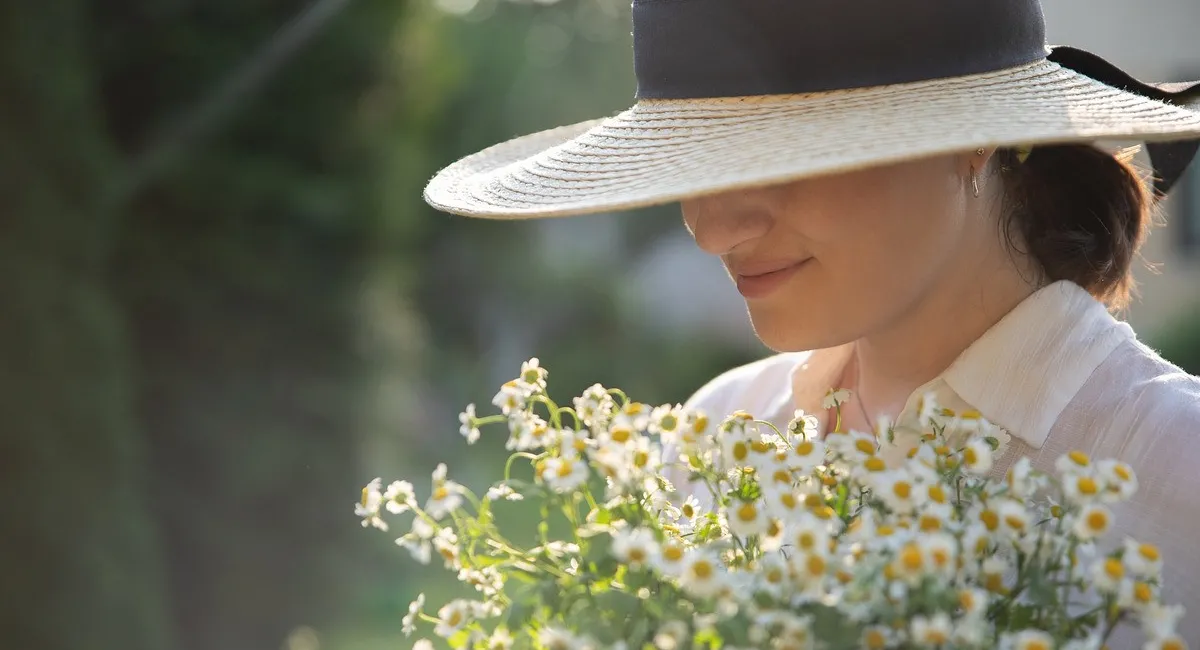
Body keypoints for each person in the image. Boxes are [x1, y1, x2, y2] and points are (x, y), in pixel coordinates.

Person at [423, 0, 1200, 643]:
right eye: (693, 161)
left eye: (779, 154)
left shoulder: (1177, 474)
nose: (710, 227)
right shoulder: (721, 432)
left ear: (973, 139)